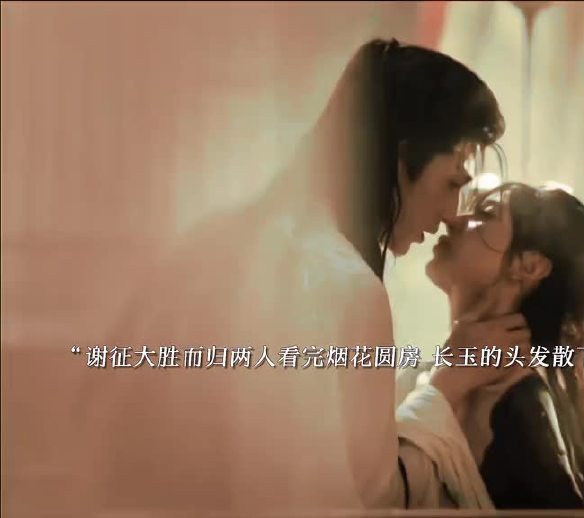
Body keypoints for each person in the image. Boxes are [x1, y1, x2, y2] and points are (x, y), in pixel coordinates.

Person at [61, 39, 530, 514]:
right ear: (401, 158)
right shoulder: (346, 285)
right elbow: (374, 498)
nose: (452, 212)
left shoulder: (224, 238)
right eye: (452, 182)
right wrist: (443, 391)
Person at [422, 183, 584, 509]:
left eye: (486, 214)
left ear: (530, 266)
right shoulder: (455, 381)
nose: (453, 219)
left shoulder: (516, 405)